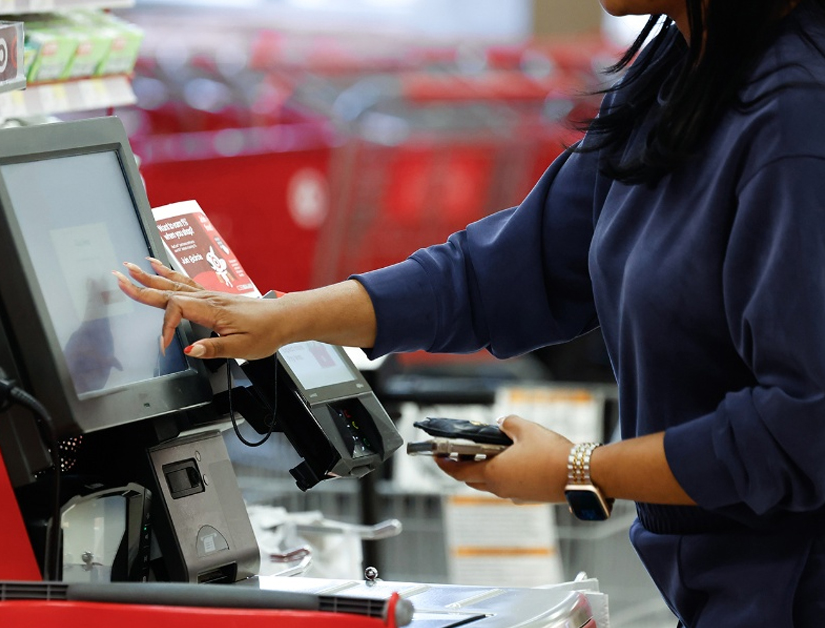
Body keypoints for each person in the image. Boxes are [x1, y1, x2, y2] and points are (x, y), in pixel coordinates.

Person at [115, 0, 825, 624]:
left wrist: (582, 468)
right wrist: (283, 318)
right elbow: (500, 273)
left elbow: (802, 429)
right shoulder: (679, 68)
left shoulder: (796, 118)